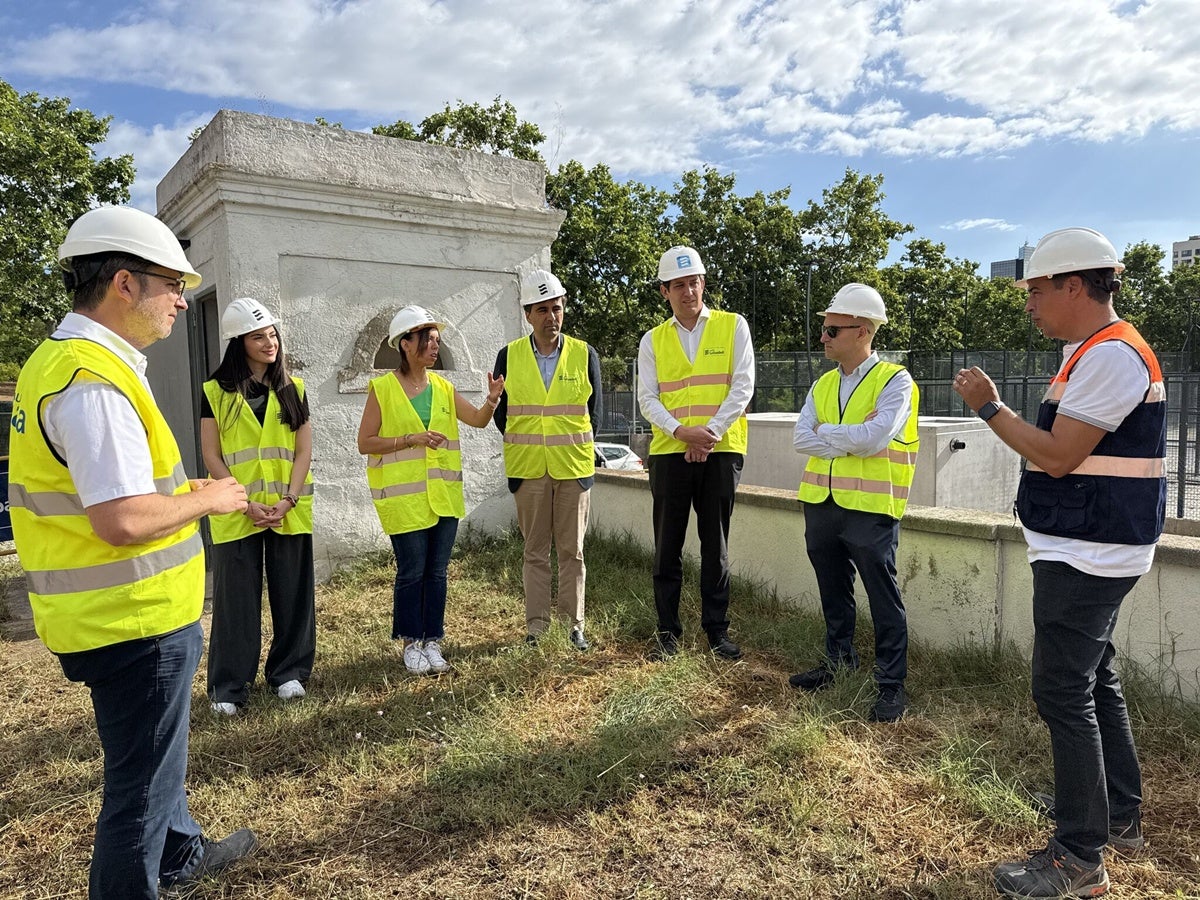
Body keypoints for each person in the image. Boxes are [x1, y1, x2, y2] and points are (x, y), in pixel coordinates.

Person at [7, 206, 257, 898]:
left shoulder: (65, 363)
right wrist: (210, 499)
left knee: (157, 763)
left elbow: (115, 491)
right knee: (139, 790)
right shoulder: (93, 382)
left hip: (121, 615)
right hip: (132, 621)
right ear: (124, 283)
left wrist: (181, 492)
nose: (182, 300)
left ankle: (180, 853)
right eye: (172, 285)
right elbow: (120, 519)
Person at [954, 227, 1162, 899]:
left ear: (1075, 286)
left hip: (1090, 552)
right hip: (1092, 544)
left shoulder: (1111, 357)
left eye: (1036, 291)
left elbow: (1057, 455)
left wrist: (989, 407)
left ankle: (1079, 857)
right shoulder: (1094, 352)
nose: (1029, 305)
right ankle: (1116, 814)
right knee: (1094, 679)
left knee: (1062, 690)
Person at [790, 284, 920, 723]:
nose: (822, 337)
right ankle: (838, 663)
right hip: (821, 502)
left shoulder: (896, 381)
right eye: (824, 329)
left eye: (832, 330)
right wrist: (847, 437)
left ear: (862, 331)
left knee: (883, 597)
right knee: (833, 590)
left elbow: (875, 438)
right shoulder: (823, 383)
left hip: (872, 506)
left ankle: (891, 683)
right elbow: (801, 438)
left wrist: (826, 433)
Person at [357, 305, 504, 674]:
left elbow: (478, 421)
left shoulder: (443, 387)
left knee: (437, 573)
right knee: (412, 572)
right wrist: (410, 438)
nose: (435, 346)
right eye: (427, 339)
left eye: (437, 340)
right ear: (405, 344)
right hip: (404, 500)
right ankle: (411, 643)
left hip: (443, 497)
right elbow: (365, 442)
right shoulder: (382, 389)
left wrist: (491, 400)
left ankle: (432, 641)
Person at [637, 245, 755, 659]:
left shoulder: (733, 326)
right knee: (666, 546)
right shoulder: (652, 340)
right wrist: (681, 432)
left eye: (694, 283)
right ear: (664, 291)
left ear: (703, 283)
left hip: (721, 450)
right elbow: (647, 398)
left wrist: (709, 434)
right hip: (670, 451)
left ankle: (716, 631)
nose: (688, 292)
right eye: (679, 285)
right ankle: (667, 633)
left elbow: (743, 386)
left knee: (714, 546)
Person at [202, 297, 316, 715]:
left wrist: (289, 499)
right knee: (235, 601)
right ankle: (229, 687)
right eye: (258, 337)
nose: (270, 343)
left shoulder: (294, 388)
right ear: (239, 343)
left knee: (293, 593)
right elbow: (211, 454)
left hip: (288, 509)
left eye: (272, 335)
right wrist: (244, 502)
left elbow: (303, 451)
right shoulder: (214, 392)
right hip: (237, 510)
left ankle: (289, 673)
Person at [492, 269, 603, 649]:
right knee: (535, 552)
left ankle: (574, 626)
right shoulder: (509, 356)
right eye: (541, 310)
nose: (551, 317)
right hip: (529, 471)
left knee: (572, 551)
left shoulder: (584, 354)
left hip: (573, 469)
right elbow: (501, 414)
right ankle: (536, 628)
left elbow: (595, 415)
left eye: (556, 308)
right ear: (527, 314)